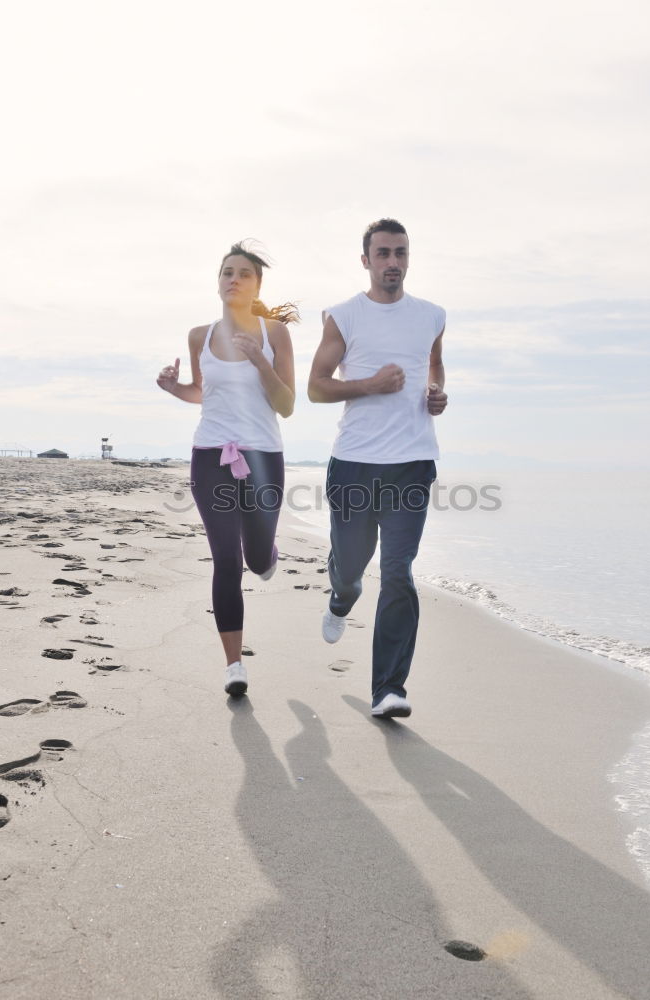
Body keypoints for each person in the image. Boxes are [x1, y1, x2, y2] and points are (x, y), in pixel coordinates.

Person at [308, 218, 447, 719]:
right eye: (383, 253)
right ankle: (341, 598)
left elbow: (434, 365)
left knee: (398, 574)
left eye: (401, 253)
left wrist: (437, 396)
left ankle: (389, 688)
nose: (393, 262)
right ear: (365, 261)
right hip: (354, 465)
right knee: (351, 569)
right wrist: (369, 384)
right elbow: (317, 387)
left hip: (412, 464)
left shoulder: (432, 315)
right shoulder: (344, 316)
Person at [157, 242, 298, 698]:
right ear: (218, 281)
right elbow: (204, 392)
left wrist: (260, 360)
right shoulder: (200, 335)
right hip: (210, 455)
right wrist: (174, 388)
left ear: (257, 284)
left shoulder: (274, 333)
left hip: (262, 457)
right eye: (226, 272)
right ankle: (233, 664)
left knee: (256, 560)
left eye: (244, 274)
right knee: (226, 560)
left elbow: (287, 405)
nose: (233, 279)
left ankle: (268, 554)